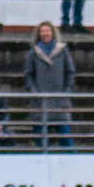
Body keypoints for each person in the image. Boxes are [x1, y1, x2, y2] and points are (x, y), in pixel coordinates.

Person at [24, 21, 76, 149]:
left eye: (47, 31)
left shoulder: (62, 51)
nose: (45, 33)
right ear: (39, 34)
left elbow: (70, 72)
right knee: (40, 140)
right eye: (42, 31)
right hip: (40, 103)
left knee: (66, 139)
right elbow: (28, 75)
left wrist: (66, 92)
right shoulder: (33, 52)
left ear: (53, 33)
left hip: (60, 102)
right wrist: (34, 93)